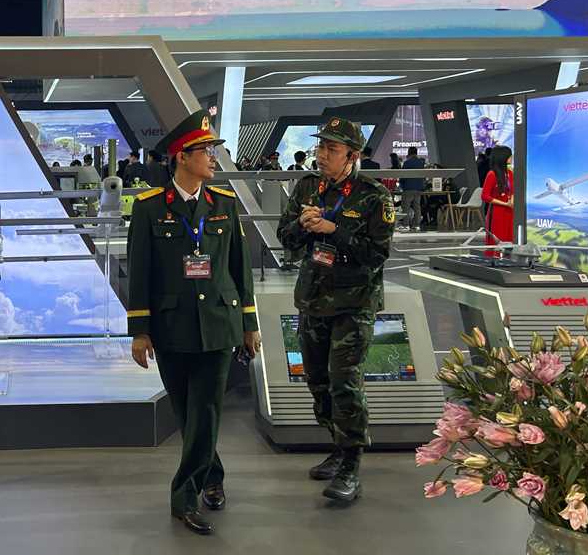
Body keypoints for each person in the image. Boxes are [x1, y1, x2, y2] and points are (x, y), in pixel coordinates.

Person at [127, 110, 259, 536]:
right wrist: (140, 331)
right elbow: (140, 272)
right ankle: (213, 475)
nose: (213, 158)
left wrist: (249, 323)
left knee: (206, 407)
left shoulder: (224, 204)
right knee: (189, 412)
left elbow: (240, 269)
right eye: (205, 151)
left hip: (219, 322)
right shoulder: (149, 207)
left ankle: (184, 496)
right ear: (182, 157)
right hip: (171, 326)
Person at [276, 118, 395, 504]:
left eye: (332, 149)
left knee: (345, 382)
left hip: (353, 304)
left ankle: (351, 464)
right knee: (318, 382)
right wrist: (303, 225)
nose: (322, 154)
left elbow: (376, 255)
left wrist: (334, 231)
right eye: (321, 147)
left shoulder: (373, 196)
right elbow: (286, 239)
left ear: (352, 155)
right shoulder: (307, 187)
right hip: (313, 299)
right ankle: (338, 446)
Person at [482, 146, 514, 257]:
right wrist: (505, 203)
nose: (511, 157)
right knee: (497, 237)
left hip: (510, 212)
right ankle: (493, 259)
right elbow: (485, 196)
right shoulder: (492, 174)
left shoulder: (510, 173)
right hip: (497, 212)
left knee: (509, 238)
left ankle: (507, 259)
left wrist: (511, 200)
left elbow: (513, 191)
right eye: (510, 155)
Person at [400, 146, 426, 232]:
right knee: (417, 207)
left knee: (406, 207)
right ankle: (417, 225)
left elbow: (402, 176)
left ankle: (406, 225)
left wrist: (402, 186)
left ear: (409, 153)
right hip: (418, 188)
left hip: (408, 187)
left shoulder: (407, 163)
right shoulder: (421, 163)